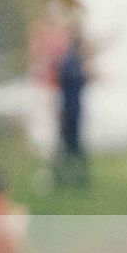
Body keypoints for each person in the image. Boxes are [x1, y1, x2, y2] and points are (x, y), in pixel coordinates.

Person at [53, 33, 90, 190]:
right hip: (70, 111)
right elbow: (72, 80)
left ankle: (73, 178)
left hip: (72, 110)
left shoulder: (73, 61)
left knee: (71, 147)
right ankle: (65, 178)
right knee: (69, 146)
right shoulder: (71, 62)